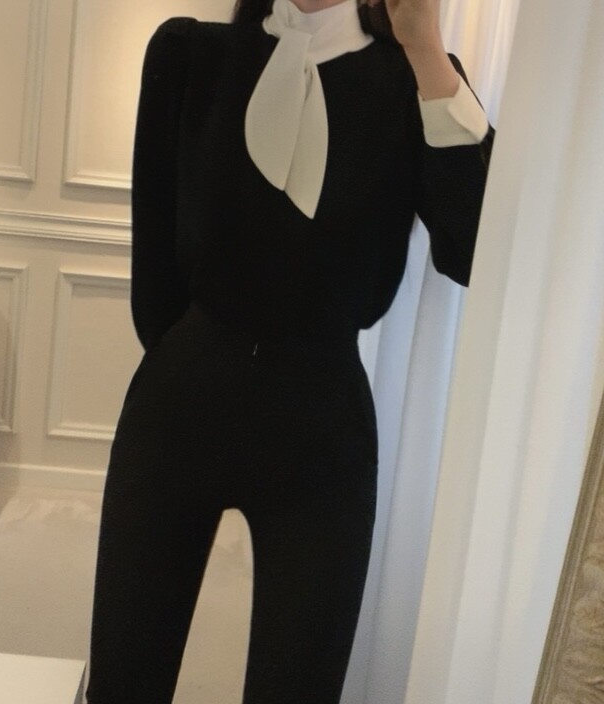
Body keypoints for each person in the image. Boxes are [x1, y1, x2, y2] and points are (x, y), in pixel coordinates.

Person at [85, 0, 494, 702]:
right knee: (124, 679)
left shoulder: (414, 79)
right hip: (180, 405)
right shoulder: (190, 56)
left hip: (321, 429)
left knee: (299, 686)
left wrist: (426, 51)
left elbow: (476, 249)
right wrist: (198, 360)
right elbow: (155, 263)